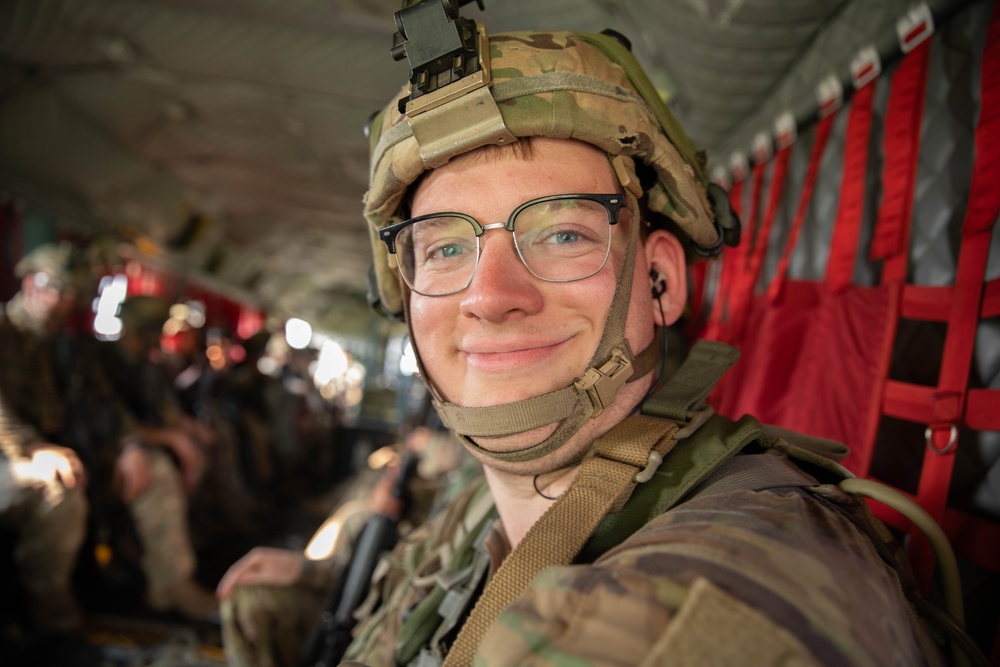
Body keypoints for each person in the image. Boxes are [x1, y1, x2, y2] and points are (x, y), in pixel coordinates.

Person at [339, 17, 945, 667]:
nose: (489, 295)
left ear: (661, 278)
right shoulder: (473, 500)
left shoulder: (748, 567)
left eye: (562, 234)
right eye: (447, 247)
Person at [216, 425, 475, 667]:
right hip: (353, 607)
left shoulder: (463, 502)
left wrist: (431, 446)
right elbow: (349, 575)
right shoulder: (379, 514)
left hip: (392, 631)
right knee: (246, 594)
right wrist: (301, 568)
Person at [0, 242, 90, 634]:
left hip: (21, 461)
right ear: (26, 282)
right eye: (47, 285)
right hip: (12, 462)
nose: (54, 299)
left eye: (66, 290)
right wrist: (35, 450)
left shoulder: (49, 345)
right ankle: (52, 616)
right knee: (57, 486)